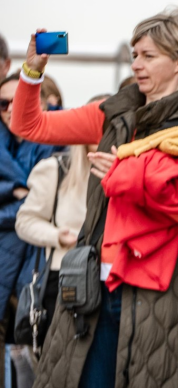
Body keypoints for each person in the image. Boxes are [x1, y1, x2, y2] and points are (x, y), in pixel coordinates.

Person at [11, 13, 178, 388]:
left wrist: (130, 179)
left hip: (165, 296)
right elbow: (29, 125)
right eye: (134, 55)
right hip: (96, 289)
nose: (136, 65)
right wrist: (31, 71)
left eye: (148, 56)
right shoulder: (113, 115)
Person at [14, 92, 94, 348]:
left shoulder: (132, 172)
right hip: (65, 280)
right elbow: (25, 220)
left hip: (113, 283)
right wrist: (57, 236)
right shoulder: (57, 169)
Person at [1, 72, 56, 387]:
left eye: (19, 100)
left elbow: (48, 208)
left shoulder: (57, 146)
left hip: (37, 270)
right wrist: (27, 198)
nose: (10, 108)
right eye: (3, 102)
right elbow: (35, 208)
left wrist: (14, 194)